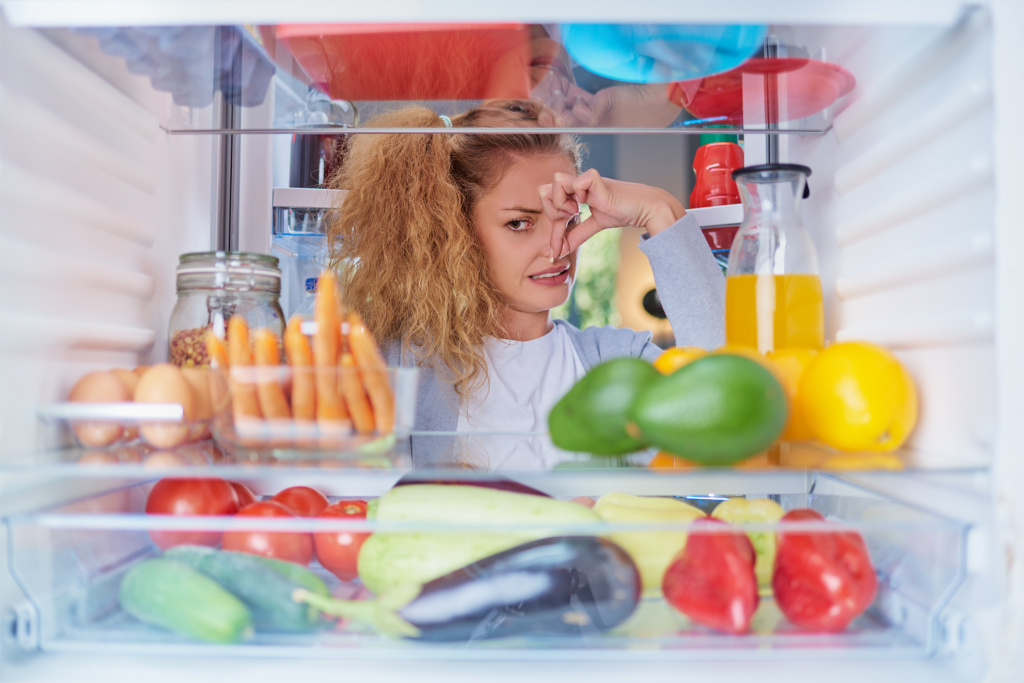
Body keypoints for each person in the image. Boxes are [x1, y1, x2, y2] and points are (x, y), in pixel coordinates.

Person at [326, 99, 724, 467]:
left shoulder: (619, 361)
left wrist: (657, 210)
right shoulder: (397, 361)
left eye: (568, 220)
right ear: (454, 232)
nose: (556, 248)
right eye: (519, 223)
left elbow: (732, 400)